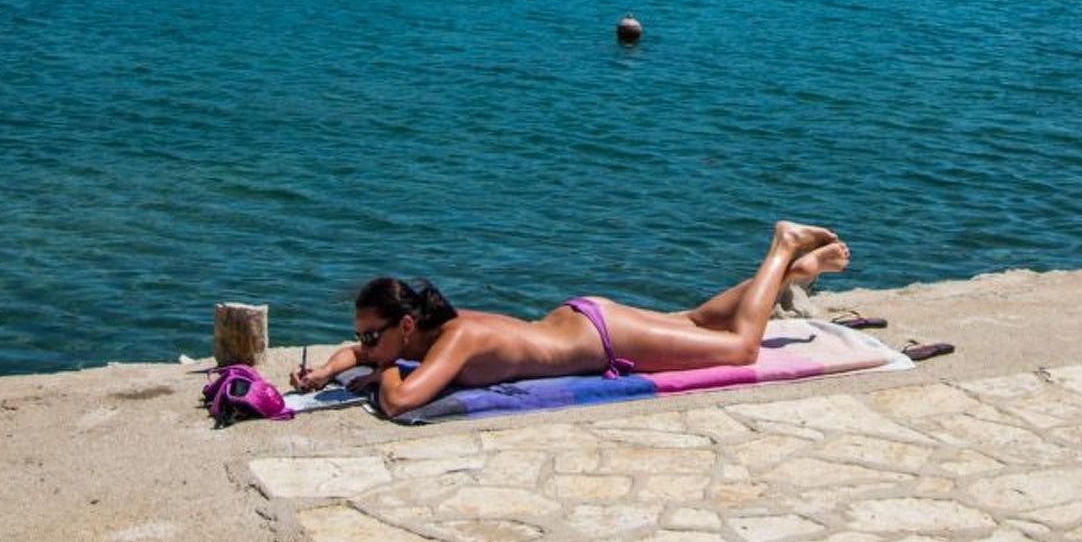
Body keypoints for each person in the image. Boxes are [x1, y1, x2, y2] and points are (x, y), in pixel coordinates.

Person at [291, 220, 850, 418]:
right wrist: (325, 373)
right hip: (584, 319)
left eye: (372, 333)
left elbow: (400, 402)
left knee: (738, 347)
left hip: (602, 338)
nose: (364, 342)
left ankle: (782, 246)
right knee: (699, 320)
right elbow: (359, 355)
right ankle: (795, 274)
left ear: (405, 327)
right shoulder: (427, 336)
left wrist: (384, 375)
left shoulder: (452, 342)